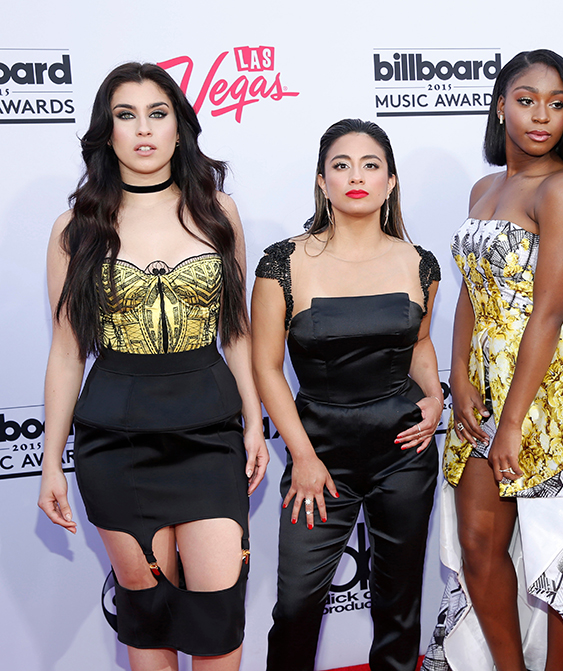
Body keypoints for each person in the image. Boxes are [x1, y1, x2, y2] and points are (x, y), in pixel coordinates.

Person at [37, 62, 268, 671]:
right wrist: (50, 464)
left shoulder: (219, 211)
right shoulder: (76, 229)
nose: (143, 130)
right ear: (105, 132)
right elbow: (66, 354)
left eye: (157, 114)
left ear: (179, 128)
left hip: (210, 430)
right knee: (148, 618)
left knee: (218, 620)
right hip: (116, 439)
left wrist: (253, 420)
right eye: (125, 115)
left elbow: (237, 332)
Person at [422, 49, 563, 671]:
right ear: (499, 107)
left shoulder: (562, 189)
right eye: (526, 100)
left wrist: (514, 421)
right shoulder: (483, 187)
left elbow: (548, 312)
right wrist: (460, 376)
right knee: (477, 544)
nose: (541, 115)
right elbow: (470, 289)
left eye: (557, 103)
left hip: (549, 387)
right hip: (485, 383)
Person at [252, 118, 443, 671]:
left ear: (390, 182)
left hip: (404, 450)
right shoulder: (283, 262)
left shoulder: (419, 262)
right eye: (341, 165)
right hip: (319, 454)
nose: (355, 177)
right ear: (322, 182)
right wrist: (304, 457)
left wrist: (434, 397)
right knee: (294, 606)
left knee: (400, 605)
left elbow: (422, 343)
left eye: (370, 166)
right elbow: (266, 369)